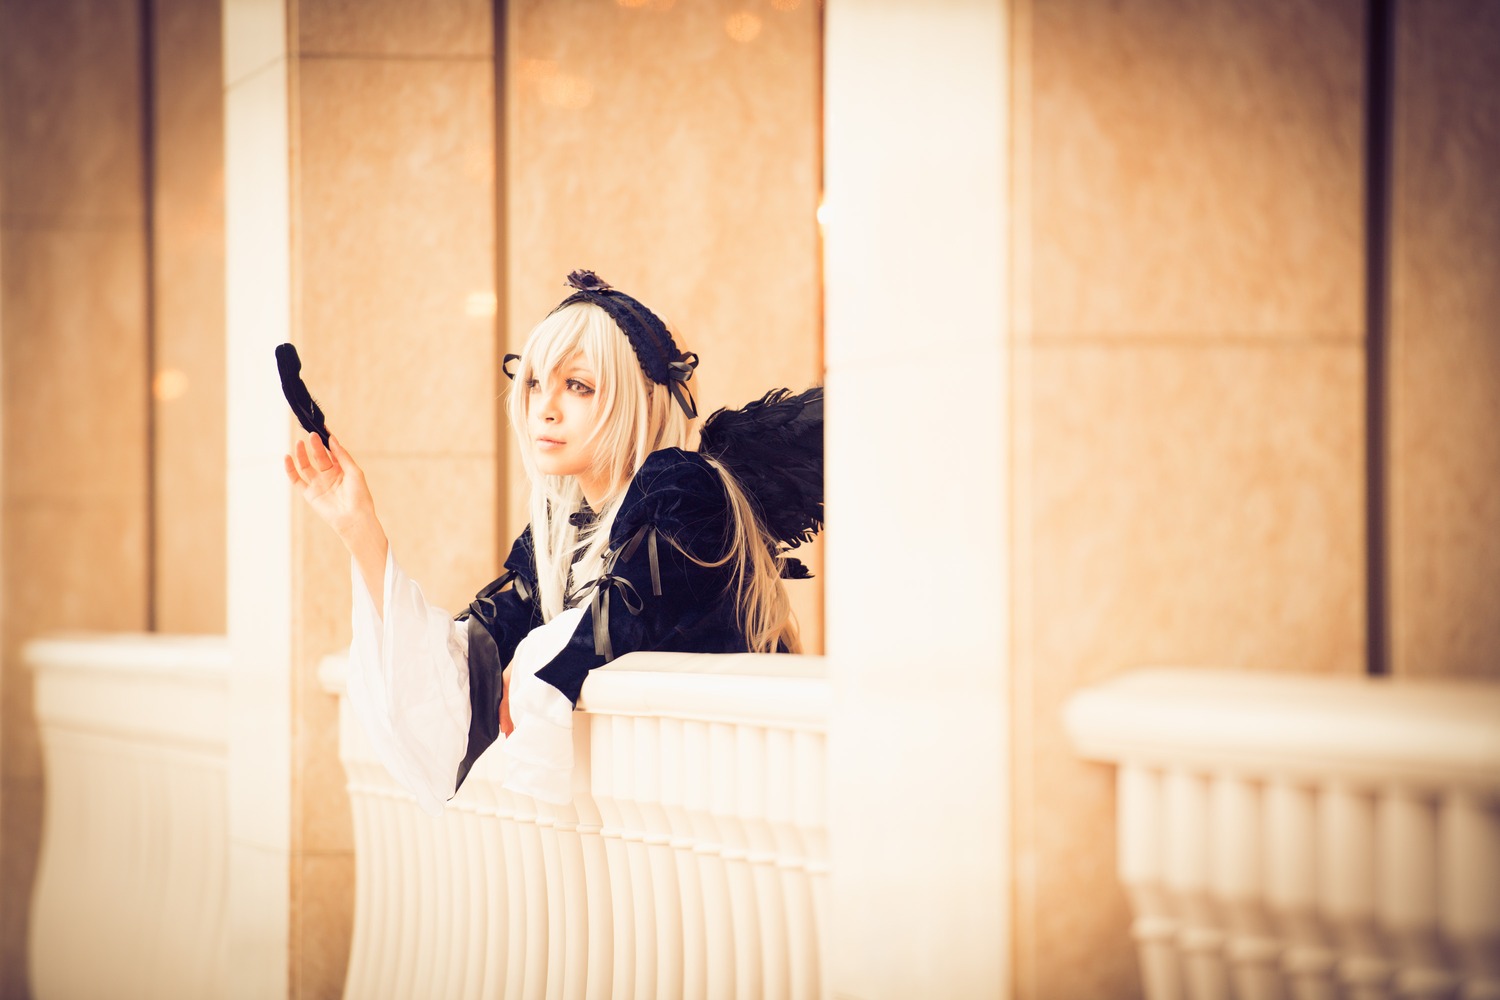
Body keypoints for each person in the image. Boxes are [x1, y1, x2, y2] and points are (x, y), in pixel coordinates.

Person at [283, 270, 821, 812]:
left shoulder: (685, 489)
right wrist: (360, 529)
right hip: (663, 816)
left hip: (740, 805)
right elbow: (462, 674)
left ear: (640, 397)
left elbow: (623, 619)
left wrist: (541, 655)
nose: (545, 406)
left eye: (579, 386)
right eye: (536, 382)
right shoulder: (565, 534)